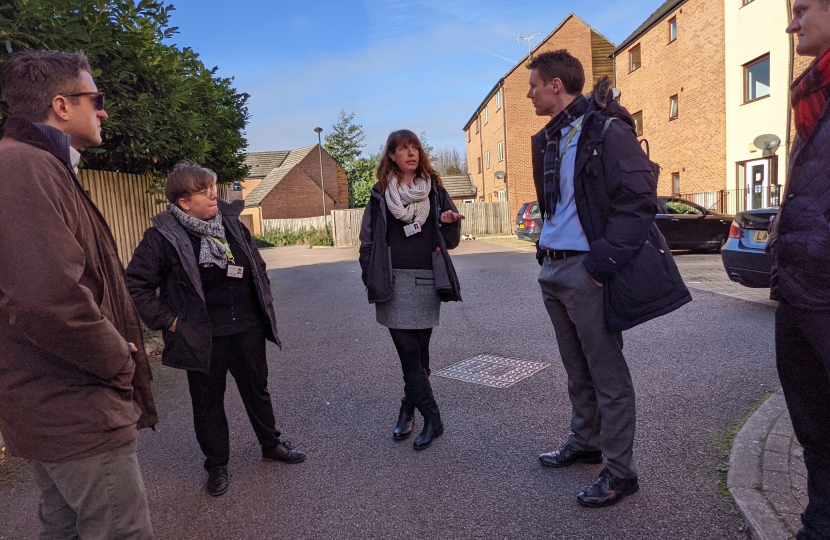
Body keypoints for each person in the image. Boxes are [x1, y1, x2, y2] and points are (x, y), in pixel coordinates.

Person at [0, 50, 157, 538]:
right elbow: (46, 298)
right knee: (118, 529)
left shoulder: (34, 163)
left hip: (52, 401)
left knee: (64, 526)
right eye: (97, 99)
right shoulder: (24, 168)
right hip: (74, 405)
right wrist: (118, 359)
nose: (104, 110)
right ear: (62, 105)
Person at [527, 50, 690, 507]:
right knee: (576, 369)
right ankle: (586, 442)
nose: (530, 93)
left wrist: (601, 265)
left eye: (534, 85)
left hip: (586, 269)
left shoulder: (606, 130)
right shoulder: (551, 138)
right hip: (554, 268)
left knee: (606, 373)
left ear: (556, 85)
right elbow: (559, 206)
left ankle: (620, 472)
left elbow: (639, 200)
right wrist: (545, 248)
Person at [126, 163, 305, 497]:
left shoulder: (231, 224)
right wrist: (170, 321)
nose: (214, 195)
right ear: (183, 202)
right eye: (204, 190)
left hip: (247, 328)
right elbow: (134, 284)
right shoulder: (162, 236)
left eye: (214, 187)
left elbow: (255, 263)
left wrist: (262, 294)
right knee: (208, 403)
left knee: (257, 390)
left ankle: (271, 444)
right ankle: (217, 466)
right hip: (202, 337)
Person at [359, 130, 464, 450]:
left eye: (414, 147)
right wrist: (370, 275)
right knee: (409, 356)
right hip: (393, 284)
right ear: (391, 155)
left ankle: (408, 408)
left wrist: (448, 222)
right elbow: (367, 242)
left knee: (419, 356)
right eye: (403, 148)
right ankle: (433, 417)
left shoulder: (434, 191)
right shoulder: (380, 194)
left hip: (427, 281)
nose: (411, 153)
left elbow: (450, 242)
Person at [769, 2, 830, 538]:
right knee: (813, 431)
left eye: (803, 9)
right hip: (798, 292)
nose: (792, 24)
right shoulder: (811, 100)